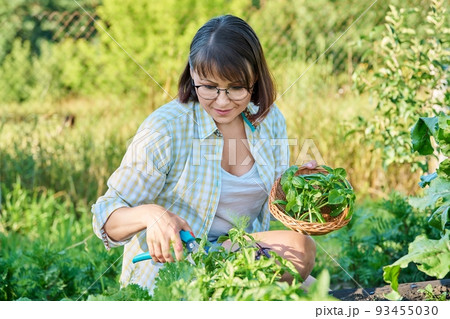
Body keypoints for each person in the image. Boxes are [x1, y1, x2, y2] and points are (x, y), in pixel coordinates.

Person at [92, 14, 317, 293]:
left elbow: (273, 203)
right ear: (192, 73)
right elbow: (105, 217)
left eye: (236, 87)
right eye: (209, 87)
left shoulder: (269, 121)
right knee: (299, 252)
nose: (222, 101)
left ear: (255, 78)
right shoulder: (165, 128)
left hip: (236, 254)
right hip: (175, 272)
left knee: (316, 286)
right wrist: (152, 215)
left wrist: (299, 188)